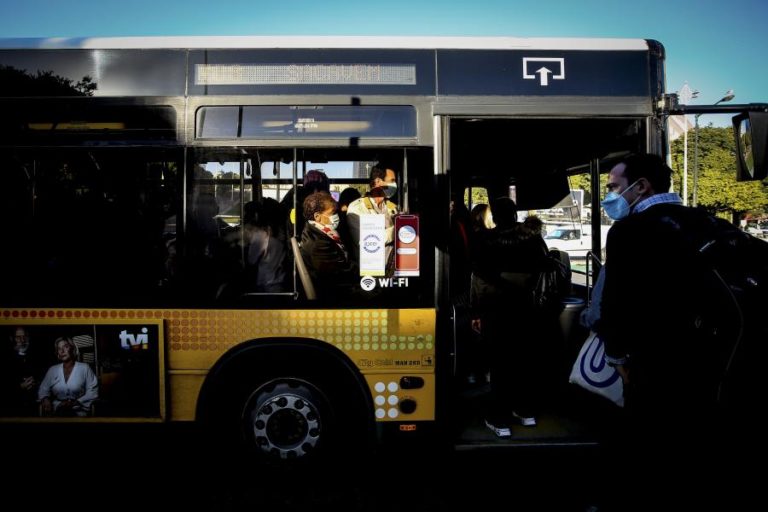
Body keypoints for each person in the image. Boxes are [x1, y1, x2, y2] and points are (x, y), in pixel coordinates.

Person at [598, 153, 745, 507]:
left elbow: (616, 300)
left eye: (615, 187)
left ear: (641, 186)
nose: (610, 196)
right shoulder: (709, 222)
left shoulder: (629, 231)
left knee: (649, 440)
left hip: (652, 359)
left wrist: (617, 354)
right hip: (711, 357)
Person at [470, 197, 553, 437]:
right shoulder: (531, 238)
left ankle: (500, 419)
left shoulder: (486, 240)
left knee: (499, 363)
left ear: (494, 215)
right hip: (526, 307)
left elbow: (479, 278)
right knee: (524, 359)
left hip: (496, 307)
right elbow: (544, 265)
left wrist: (476, 312)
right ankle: (525, 412)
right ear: (515, 214)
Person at [300, 191, 358, 299]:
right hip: (332, 293)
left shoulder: (320, 232)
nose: (336, 216)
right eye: (332, 213)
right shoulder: (318, 244)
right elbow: (339, 273)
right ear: (317, 216)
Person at [346, 164, 399, 265]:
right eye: (392, 180)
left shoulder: (392, 207)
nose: (395, 184)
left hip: (392, 268)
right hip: (370, 269)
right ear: (378, 182)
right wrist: (398, 230)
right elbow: (365, 241)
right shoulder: (357, 208)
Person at [38, 336, 98, 417]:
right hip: (57, 410)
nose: (62, 351)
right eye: (59, 349)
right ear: (57, 353)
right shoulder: (52, 370)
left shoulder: (84, 368)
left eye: (65, 347)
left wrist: (76, 402)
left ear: (72, 348)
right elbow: (43, 389)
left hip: (78, 411)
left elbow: (93, 391)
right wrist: (45, 399)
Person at [1, 326, 45, 416]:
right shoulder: (5, 359)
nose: (22, 340)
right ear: (12, 339)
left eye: (25, 336)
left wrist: (36, 383)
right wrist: (20, 387)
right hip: (11, 408)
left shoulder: (37, 357)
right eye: (18, 337)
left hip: (33, 406)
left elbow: (42, 377)